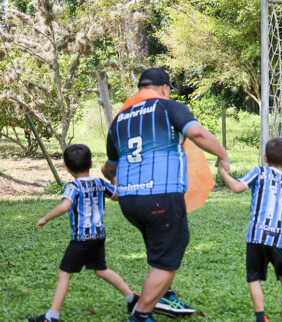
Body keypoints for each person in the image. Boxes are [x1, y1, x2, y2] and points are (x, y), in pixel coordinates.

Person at [101, 67, 229, 322]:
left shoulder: (119, 119)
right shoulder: (169, 107)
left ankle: (164, 294)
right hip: (161, 196)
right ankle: (142, 314)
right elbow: (197, 133)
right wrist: (223, 155)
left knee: (160, 247)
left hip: (129, 202)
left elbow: (109, 167)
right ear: (164, 88)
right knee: (168, 258)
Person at [28, 144, 139, 322]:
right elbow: (117, 195)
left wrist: (45, 218)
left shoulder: (73, 186)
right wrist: (115, 177)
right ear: (91, 163)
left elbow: (65, 206)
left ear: (67, 168)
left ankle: (51, 316)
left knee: (64, 274)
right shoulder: (100, 183)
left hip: (81, 240)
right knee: (101, 269)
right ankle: (132, 298)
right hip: (98, 236)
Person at [218, 137, 282, 322]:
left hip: (256, 237)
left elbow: (237, 187)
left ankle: (261, 317)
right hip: (279, 240)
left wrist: (223, 172)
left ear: (265, 157)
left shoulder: (258, 172)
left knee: (254, 278)